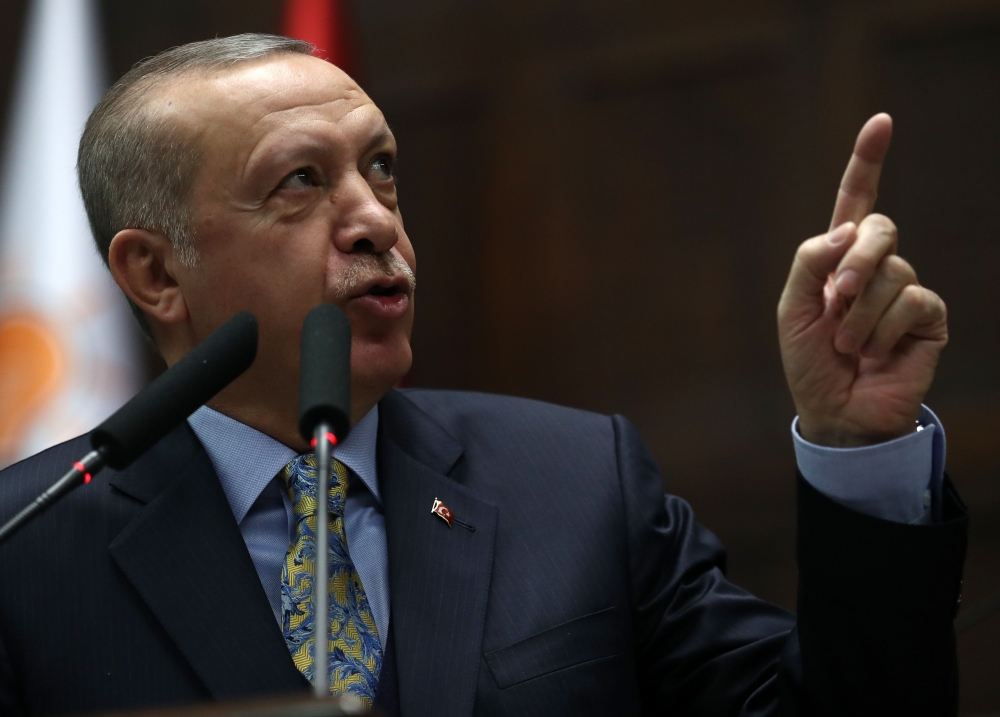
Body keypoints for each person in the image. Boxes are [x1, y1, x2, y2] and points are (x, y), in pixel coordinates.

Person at [0, 34, 967, 716]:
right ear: (157, 274)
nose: (375, 218)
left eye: (380, 168)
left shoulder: (575, 479)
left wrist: (859, 443)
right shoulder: (28, 552)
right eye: (299, 181)